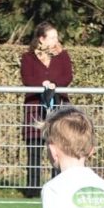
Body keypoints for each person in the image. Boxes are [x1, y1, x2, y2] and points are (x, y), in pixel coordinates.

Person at [20, 22, 73, 197]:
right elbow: (27, 79)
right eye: (52, 37)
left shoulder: (63, 56)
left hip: (58, 106)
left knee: (58, 146)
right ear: (41, 39)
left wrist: (54, 85)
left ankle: (56, 185)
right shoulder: (28, 58)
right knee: (35, 147)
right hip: (35, 107)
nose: (55, 40)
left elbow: (67, 77)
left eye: (56, 37)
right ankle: (33, 187)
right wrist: (42, 84)